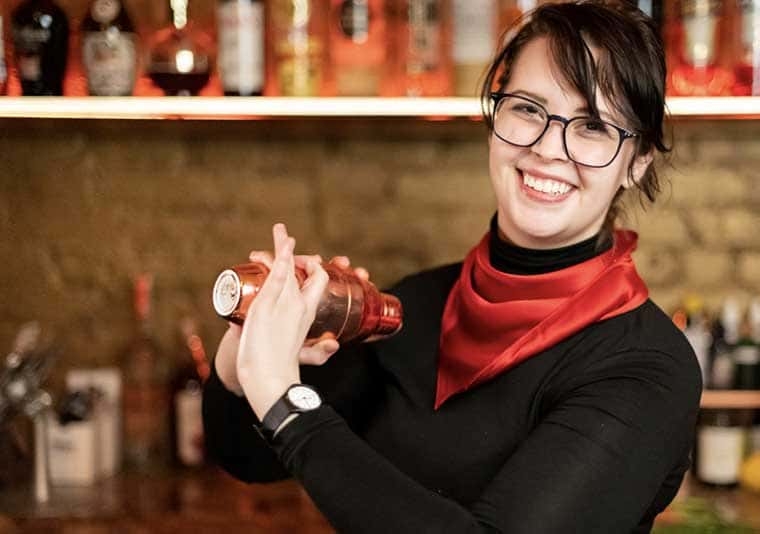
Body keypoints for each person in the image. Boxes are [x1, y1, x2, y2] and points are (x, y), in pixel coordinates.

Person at [202, 1, 702, 532]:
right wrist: (244, 359)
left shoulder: (646, 368)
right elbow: (248, 458)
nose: (549, 148)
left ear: (638, 162)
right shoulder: (411, 307)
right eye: (529, 108)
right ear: (494, 113)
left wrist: (284, 398)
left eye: (593, 127)